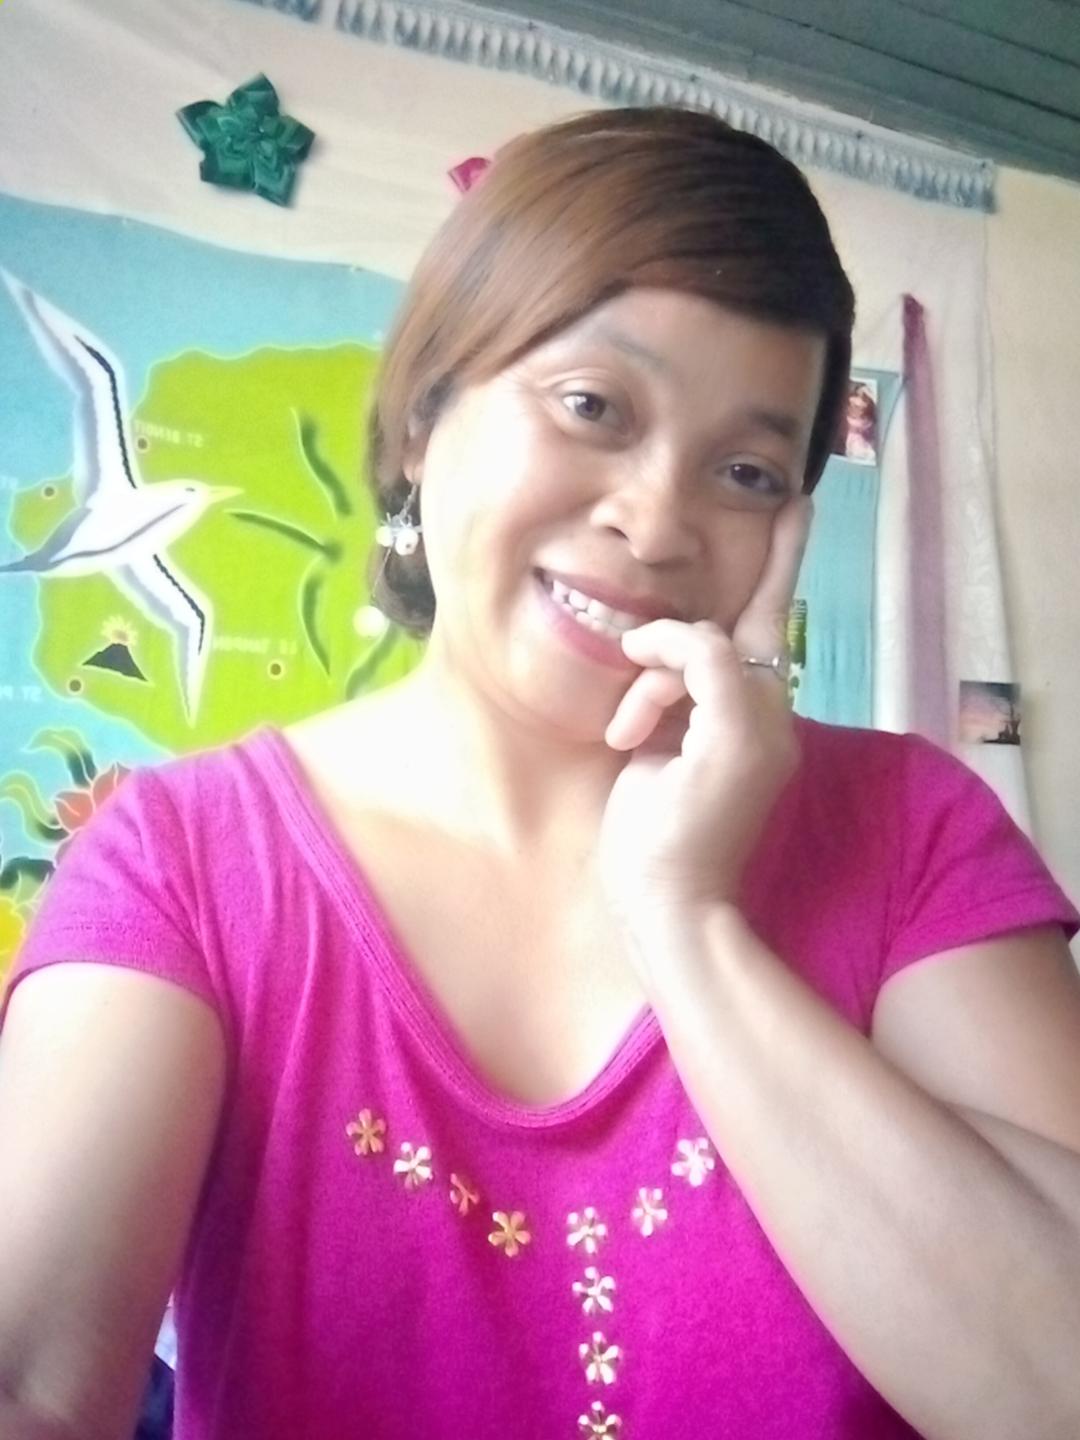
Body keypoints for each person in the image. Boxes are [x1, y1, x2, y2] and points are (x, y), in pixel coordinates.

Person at [1, 106, 1079, 1440]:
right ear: (423, 418)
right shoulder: (183, 865)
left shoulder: (912, 830)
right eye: (592, 407)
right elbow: (34, 1387)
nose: (658, 519)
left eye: (746, 470)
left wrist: (689, 921)